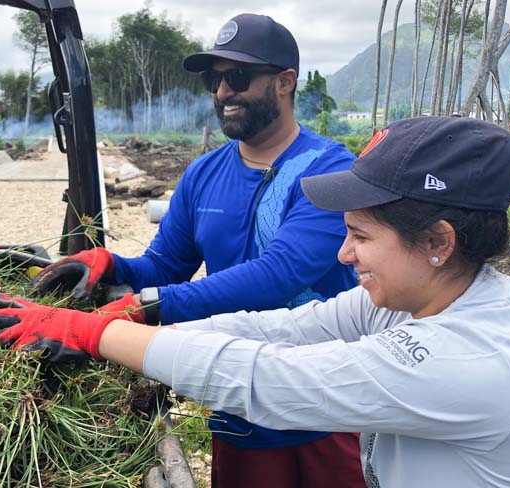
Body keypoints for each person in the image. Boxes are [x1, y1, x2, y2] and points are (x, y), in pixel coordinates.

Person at [0, 116, 510, 487]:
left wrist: (95, 333)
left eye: (362, 236)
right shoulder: (421, 298)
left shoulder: (470, 360)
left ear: (438, 242)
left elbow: (267, 379)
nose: (344, 255)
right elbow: (285, 330)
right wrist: (124, 314)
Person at [27, 13, 364, 488]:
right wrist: (109, 265)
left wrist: (150, 307)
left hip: (325, 402)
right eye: (215, 79)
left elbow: (280, 273)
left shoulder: (328, 170)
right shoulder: (203, 174)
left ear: (286, 82)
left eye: (238, 77)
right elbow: (166, 265)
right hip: (239, 400)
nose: (223, 92)